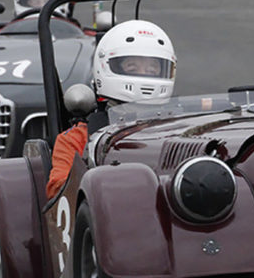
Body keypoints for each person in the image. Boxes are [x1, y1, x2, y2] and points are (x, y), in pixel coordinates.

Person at [46, 19, 176, 198]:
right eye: (132, 67)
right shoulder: (78, 138)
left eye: (152, 69)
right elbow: (58, 191)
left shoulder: (177, 131)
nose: (144, 74)